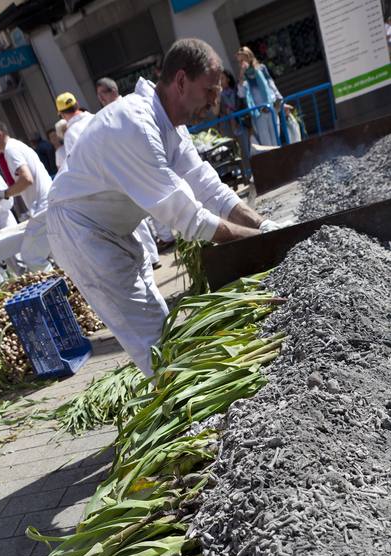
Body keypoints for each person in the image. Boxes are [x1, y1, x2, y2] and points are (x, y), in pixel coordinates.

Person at [47, 38, 270, 377]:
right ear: (181, 81)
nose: (214, 101)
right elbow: (189, 219)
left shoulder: (169, 124)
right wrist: (258, 244)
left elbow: (206, 184)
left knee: (159, 321)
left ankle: (179, 388)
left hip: (113, 226)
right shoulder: (135, 125)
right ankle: (180, 402)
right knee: (151, 335)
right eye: (209, 90)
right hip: (83, 233)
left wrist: (262, 227)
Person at [95, 75, 161, 269]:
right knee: (140, 216)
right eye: (98, 95)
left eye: (102, 94)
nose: (100, 98)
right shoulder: (109, 113)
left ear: (113, 92)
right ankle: (153, 254)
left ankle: (154, 252)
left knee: (147, 211)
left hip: (134, 167)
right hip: (128, 169)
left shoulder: (123, 109)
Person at [0, 117, 52, 272]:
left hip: (44, 208)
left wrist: (4, 193)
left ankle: (61, 290)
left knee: (31, 257)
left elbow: (26, 179)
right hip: (47, 204)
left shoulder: (11, 150)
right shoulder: (15, 146)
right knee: (54, 254)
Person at [236, 46, 282, 148]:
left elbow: (271, 85)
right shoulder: (243, 77)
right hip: (258, 113)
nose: (242, 63)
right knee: (267, 144)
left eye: (243, 59)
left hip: (270, 108)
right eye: (239, 62)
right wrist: (241, 74)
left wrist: (279, 101)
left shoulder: (261, 68)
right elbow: (241, 94)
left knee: (276, 140)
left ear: (249, 56)